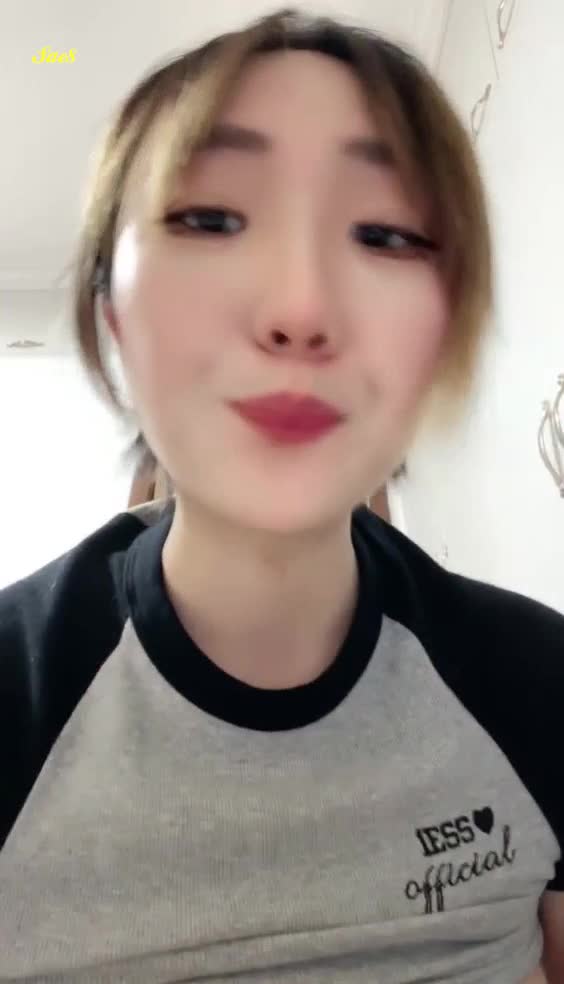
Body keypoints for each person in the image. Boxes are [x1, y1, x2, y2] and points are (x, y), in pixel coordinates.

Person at [0, 9, 562, 982]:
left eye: (386, 234)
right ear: (112, 312)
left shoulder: (540, 682)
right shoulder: (17, 695)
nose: (300, 309)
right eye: (210, 220)